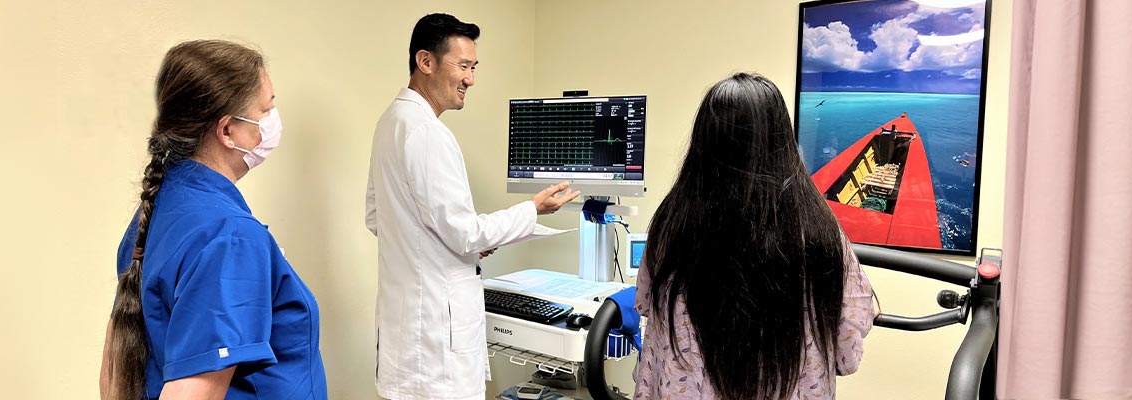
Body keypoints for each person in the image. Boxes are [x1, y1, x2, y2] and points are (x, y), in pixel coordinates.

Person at [365, 13, 579, 400]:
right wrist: (531, 209)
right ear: (425, 62)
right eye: (463, 66)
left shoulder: (390, 122)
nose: (471, 79)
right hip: (433, 343)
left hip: (406, 333)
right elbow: (465, 233)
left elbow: (377, 216)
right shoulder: (429, 133)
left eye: (474, 67)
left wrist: (442, 243)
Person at [100, 40, 326, 400]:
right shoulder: (231, 236)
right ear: (227, 132)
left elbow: (118, 362)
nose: (271, 123)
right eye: (265, 111)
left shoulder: (157, 208)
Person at [634, 73, 876, 400]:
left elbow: (647, 308)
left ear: (703, 142)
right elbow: (846, 354)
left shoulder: (671, 223)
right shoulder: (818, 230)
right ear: (783, 141)